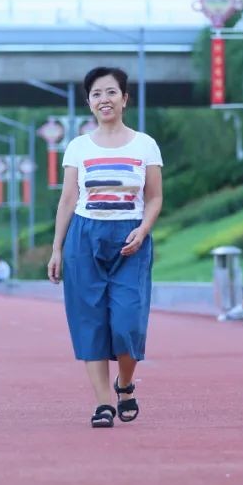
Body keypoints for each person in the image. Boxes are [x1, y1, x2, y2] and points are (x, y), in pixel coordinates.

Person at [47, 66, 163, 428]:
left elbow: (155, 197)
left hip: (131, 239)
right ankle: (102, 404)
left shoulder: (145, 144)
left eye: (111, 92)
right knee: (90, 322)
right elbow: (68, 199)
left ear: (124, 99)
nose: (104, 100)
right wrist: (57, 248)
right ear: (89, 102)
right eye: (96, 94)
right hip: (84, 237)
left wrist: (143, 230)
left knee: (128, 323)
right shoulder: (78, 147)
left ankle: (124, 384)